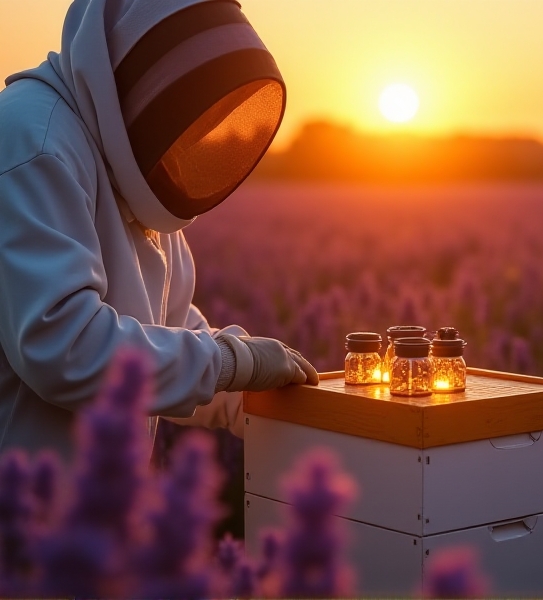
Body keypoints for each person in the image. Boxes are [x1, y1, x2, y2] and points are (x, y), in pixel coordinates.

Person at [0, 0, 319, 460]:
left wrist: (256, 402)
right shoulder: (33, 141)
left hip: (99, 510)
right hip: (20, 514)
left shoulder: (127, 164)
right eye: (183, 109)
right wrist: (234, 363)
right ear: (139, 74)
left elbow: (165, 338)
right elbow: (63, 345)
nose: (186, 139)